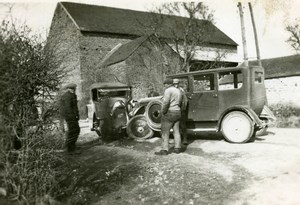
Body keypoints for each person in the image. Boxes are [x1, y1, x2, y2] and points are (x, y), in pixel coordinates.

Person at [155, 78, 183, 155]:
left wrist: (163, 112)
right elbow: (180, 102)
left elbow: (166, 102)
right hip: (178, 111)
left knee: (165, 131)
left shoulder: (168, 91)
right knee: (176, 131)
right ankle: (177, 148)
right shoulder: (178, 90)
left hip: (170, 112)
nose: (164, 86)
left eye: (165, 84)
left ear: (167, 84)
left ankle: (164, 150)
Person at [60, 83, 81, 154]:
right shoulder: (67, 96)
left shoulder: (72, 95)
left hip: (73, 116)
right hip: (70, 117)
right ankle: (70, 149)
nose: (73, 90)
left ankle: (71, 146)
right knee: (73, 131)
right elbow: (68, 108)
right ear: (68, 89)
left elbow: (75, 107)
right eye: (71, 88)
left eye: (74, 88)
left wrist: (77, 115)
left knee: (75, 131)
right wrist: (73, 116)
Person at [173, 78, 188, 145]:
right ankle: (177, 140)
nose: (176, 85)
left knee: (182, 125)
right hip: (173, 110)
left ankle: (185, 139)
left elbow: (185, 100)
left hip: (181, 110)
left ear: (178, 84)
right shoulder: (172, 91)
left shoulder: (181, 90)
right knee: (175, 126)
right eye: (174, 84)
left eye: (176, 83)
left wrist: (183, 108)